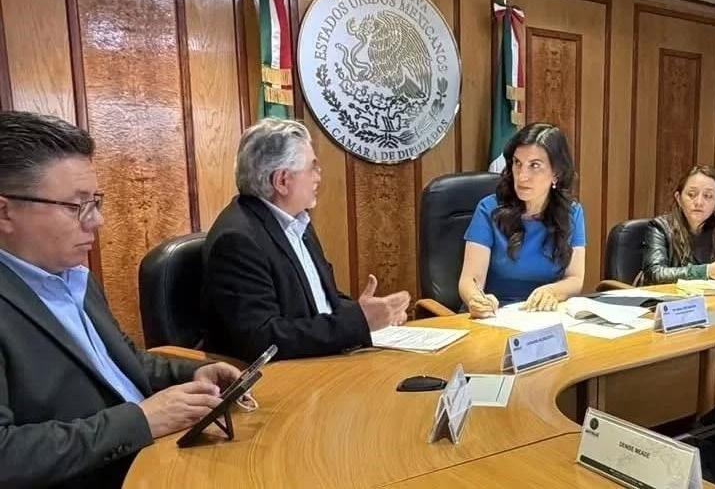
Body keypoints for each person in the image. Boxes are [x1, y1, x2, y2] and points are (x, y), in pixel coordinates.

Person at [0, 111, 241, 488]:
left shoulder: (72, 275)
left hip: (158, 455)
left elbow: (122, 361)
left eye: (95, 202)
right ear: (5, 212)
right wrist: (140, 421)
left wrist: (190, 373)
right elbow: (6, 455)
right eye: (76, 206)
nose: (96, 221)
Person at [203, 119, 410, 361]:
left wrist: (373, 313)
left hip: (322, 358)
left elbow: (323, 300)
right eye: (312, 168)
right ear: (282, 181)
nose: (318, 177)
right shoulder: (237, 241)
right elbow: (262, 340)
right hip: (286, 375)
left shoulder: (296, 221)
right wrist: (358, 322)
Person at [459, 123, 586, 318]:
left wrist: (552, 291)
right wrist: (476, 300)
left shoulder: (572, 213)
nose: (522, 176)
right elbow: (470, 279)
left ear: (556, 173)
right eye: (517, 163)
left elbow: (575, 279)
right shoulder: (489, 209)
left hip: (545, 316)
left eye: (534, 166)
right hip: (495, 316)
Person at [639, 165, 715, 285]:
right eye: (691, 194)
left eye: (708, 196)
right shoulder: (660, 227)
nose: (699, 202)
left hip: (714, 294)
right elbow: (655, 273)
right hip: (670, 296)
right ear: (679, 199)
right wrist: (706, 272)